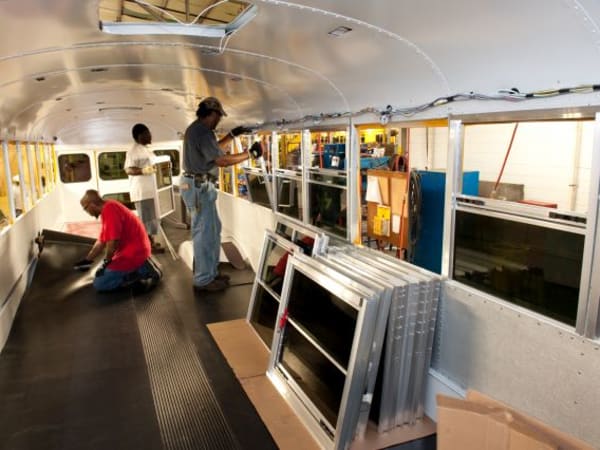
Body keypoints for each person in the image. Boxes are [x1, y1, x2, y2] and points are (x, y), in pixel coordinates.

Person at [181, 96, 261, 292]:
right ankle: (203, 280)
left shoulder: (198, 129)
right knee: (204, 234)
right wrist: (250, 154)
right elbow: (221, 160)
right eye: (218, 116)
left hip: (198, 186)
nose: (219, 120)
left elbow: (214, 150)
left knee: (213, 230)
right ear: (211, 114)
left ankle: (211, 272)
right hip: (199, 187)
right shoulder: (202, 132)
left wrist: (232, 135)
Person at [74, 189, 162, 292]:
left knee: (100, 283)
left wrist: (106, 262)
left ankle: (143, 271)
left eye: (85, 208)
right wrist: (88, 260)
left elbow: (112, 243)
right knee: (101, 273)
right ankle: (141, 266)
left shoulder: (110, 210)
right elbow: (101, 241)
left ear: (92, 205)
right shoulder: (108, 207)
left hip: (135, 252)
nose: (86, 212)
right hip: (131, 250)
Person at [124, 123, 164, 253]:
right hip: (142, 192)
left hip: (150, 191)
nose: (150, 135)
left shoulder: (146, 149)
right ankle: (147, 246)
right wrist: (143, 170)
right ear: (140, 136)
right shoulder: (133, 151)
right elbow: (128, 169)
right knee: (146, 220)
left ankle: (150, 242)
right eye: (148, 133)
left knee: (151, 219)